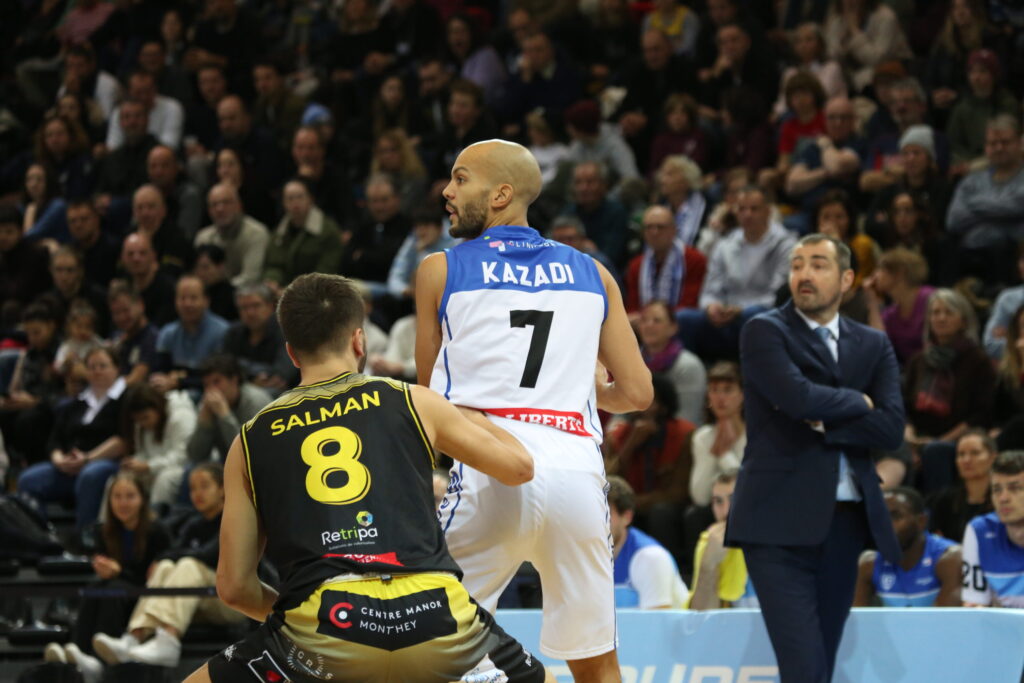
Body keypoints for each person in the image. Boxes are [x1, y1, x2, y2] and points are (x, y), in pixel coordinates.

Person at [183, 273, 548, 682]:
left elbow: (234, 588)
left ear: (291, 352)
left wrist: (320, 623)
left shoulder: (249, 439)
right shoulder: (412, 400)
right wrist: (473, 415)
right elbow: (519, 468)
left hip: (325, 626)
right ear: (359, 341)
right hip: (437, 615)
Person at [416, 139, 652, 682]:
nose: (447, 191)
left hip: (489, 469)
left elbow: (429, 398)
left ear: (501, 194)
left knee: (432, 652)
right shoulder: (594, 273)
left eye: (460, 179)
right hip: (575, 473)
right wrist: (586, 389)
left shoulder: (440, 269)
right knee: (596, 665)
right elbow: (637, 394)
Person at [726, 233, 904, 683]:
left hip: (845, 521)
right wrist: (860, 404)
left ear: (846, 278)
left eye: (819, 264)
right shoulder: (764, 329)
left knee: (821, 663)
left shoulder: (873, 344)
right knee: (803, 667)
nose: (804, 273)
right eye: (797, 264)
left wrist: (831, 419)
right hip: (775, 522)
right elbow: (797, 398)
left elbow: (891, 428)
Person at [92, 463, 244, 669]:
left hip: (235, 602)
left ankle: (168, 642)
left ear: (222, 489)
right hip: (198, 600)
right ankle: (133, 637)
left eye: (204, 486)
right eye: (192, 488)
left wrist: (170, 555)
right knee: (165, 566)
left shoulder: (235, 519)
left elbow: (207, 555)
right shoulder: (193, 523)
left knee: (189, 564)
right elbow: (171, 553)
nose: (197, 493)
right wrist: (164, 558)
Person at [43, 473, 172, 683]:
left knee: (113, 588)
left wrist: (118, 572)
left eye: (130, 496)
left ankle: (98, 660)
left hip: (146, 601)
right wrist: (105, 570)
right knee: (96, 585)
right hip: (115, 589)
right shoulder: (105, 531)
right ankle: (77, 652)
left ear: (143, 499)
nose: (123, 503)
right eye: (117, 497)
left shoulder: (157, 531)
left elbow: (153, 579)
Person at [677, 186, 796, 361]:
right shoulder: (725, 244)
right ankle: (695, 377)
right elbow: (710, 291)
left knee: (754, 316)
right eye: (742, 209)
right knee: (684, 318)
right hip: (726, 315)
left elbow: (779, 296)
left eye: (754, 209)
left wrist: (740, 311)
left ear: (768, 211)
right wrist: (712, 307)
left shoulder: (786, 244)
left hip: (764, 315)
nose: (747, 214)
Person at [17, 346, 127, 529]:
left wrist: (88, 458)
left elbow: (124, 440)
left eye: (103, 366)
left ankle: (84, 539)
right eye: (92, 367)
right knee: (29, 480)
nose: (97, 371)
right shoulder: (76, 402)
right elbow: (55, 440)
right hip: (69, 465)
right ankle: (42, 539)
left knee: (90, 476)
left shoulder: (125, 399)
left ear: (116, 369)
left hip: (105, 463)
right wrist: (59, 459)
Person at [903, 288, 995, 494]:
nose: (941, 318)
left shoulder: (978, 360)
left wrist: (938, 441)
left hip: (958, 439)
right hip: (918, 437)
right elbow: (903, 406)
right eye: (936, 313)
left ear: (963, 320)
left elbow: (981, 415)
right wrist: (910, 437)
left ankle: (937, 514)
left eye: (948, 312)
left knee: (936, 451)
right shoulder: (918, 360)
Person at [853, 487, 962, 606]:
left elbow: (946, 621)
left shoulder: (950, 558)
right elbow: (858, 619)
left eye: (895, 516)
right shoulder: (868, 564)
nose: (885, 525)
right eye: (880, 517)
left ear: (921, 521)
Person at [608, 475, 689, 609]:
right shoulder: (587, 557)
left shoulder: (650, 558)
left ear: (627, 517)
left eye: (605, 513)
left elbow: (656, 626)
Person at [687, 470, 758, 609]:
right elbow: (703, 619)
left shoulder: (779, 544)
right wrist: (708, 565)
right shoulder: (710, 543)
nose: (726, 511)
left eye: (734, 499)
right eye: (718, 501)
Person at [961, 450, 1024, 607]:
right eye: (997, 489)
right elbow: (974, 607)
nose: (1003, 498)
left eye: (1015, 488)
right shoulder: (979, 530)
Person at [119, 383, 197, 507]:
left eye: (145, 418)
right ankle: (107, 524)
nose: (142, 424)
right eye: (138, 420)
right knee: (122, 479)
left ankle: (155, 521)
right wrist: (134, 463)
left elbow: (184, 456)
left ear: (158, 408)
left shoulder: (181, 415)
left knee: (165, 479)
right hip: (155, 466)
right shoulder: (140, 423)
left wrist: (148, 465)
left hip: (183, 468)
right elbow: (143, 452)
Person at [624, 205, 707, 321]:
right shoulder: (636, 266)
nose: (654, 232)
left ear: (674, 230)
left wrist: (659, 319)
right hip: (644, 323)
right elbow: (633, 307)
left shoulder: (694, 259)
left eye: (660, 227)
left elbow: (691, 304)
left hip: (679, 323)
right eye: (649, 227)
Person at [636, 300, 707, 425]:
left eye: (657, 320)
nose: (649, 325)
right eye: (644, 320)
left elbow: (687, 419)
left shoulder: (688, 366)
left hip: (676, 437)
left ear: (673, 328)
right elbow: (621, 414)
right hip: (635, 434)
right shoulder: (633, 363)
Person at [929, 430, 997, 541]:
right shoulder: (945, 499)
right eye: (961, 454)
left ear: (993, 457)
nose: (966, 460)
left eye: (975, 453)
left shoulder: (1003, 498)